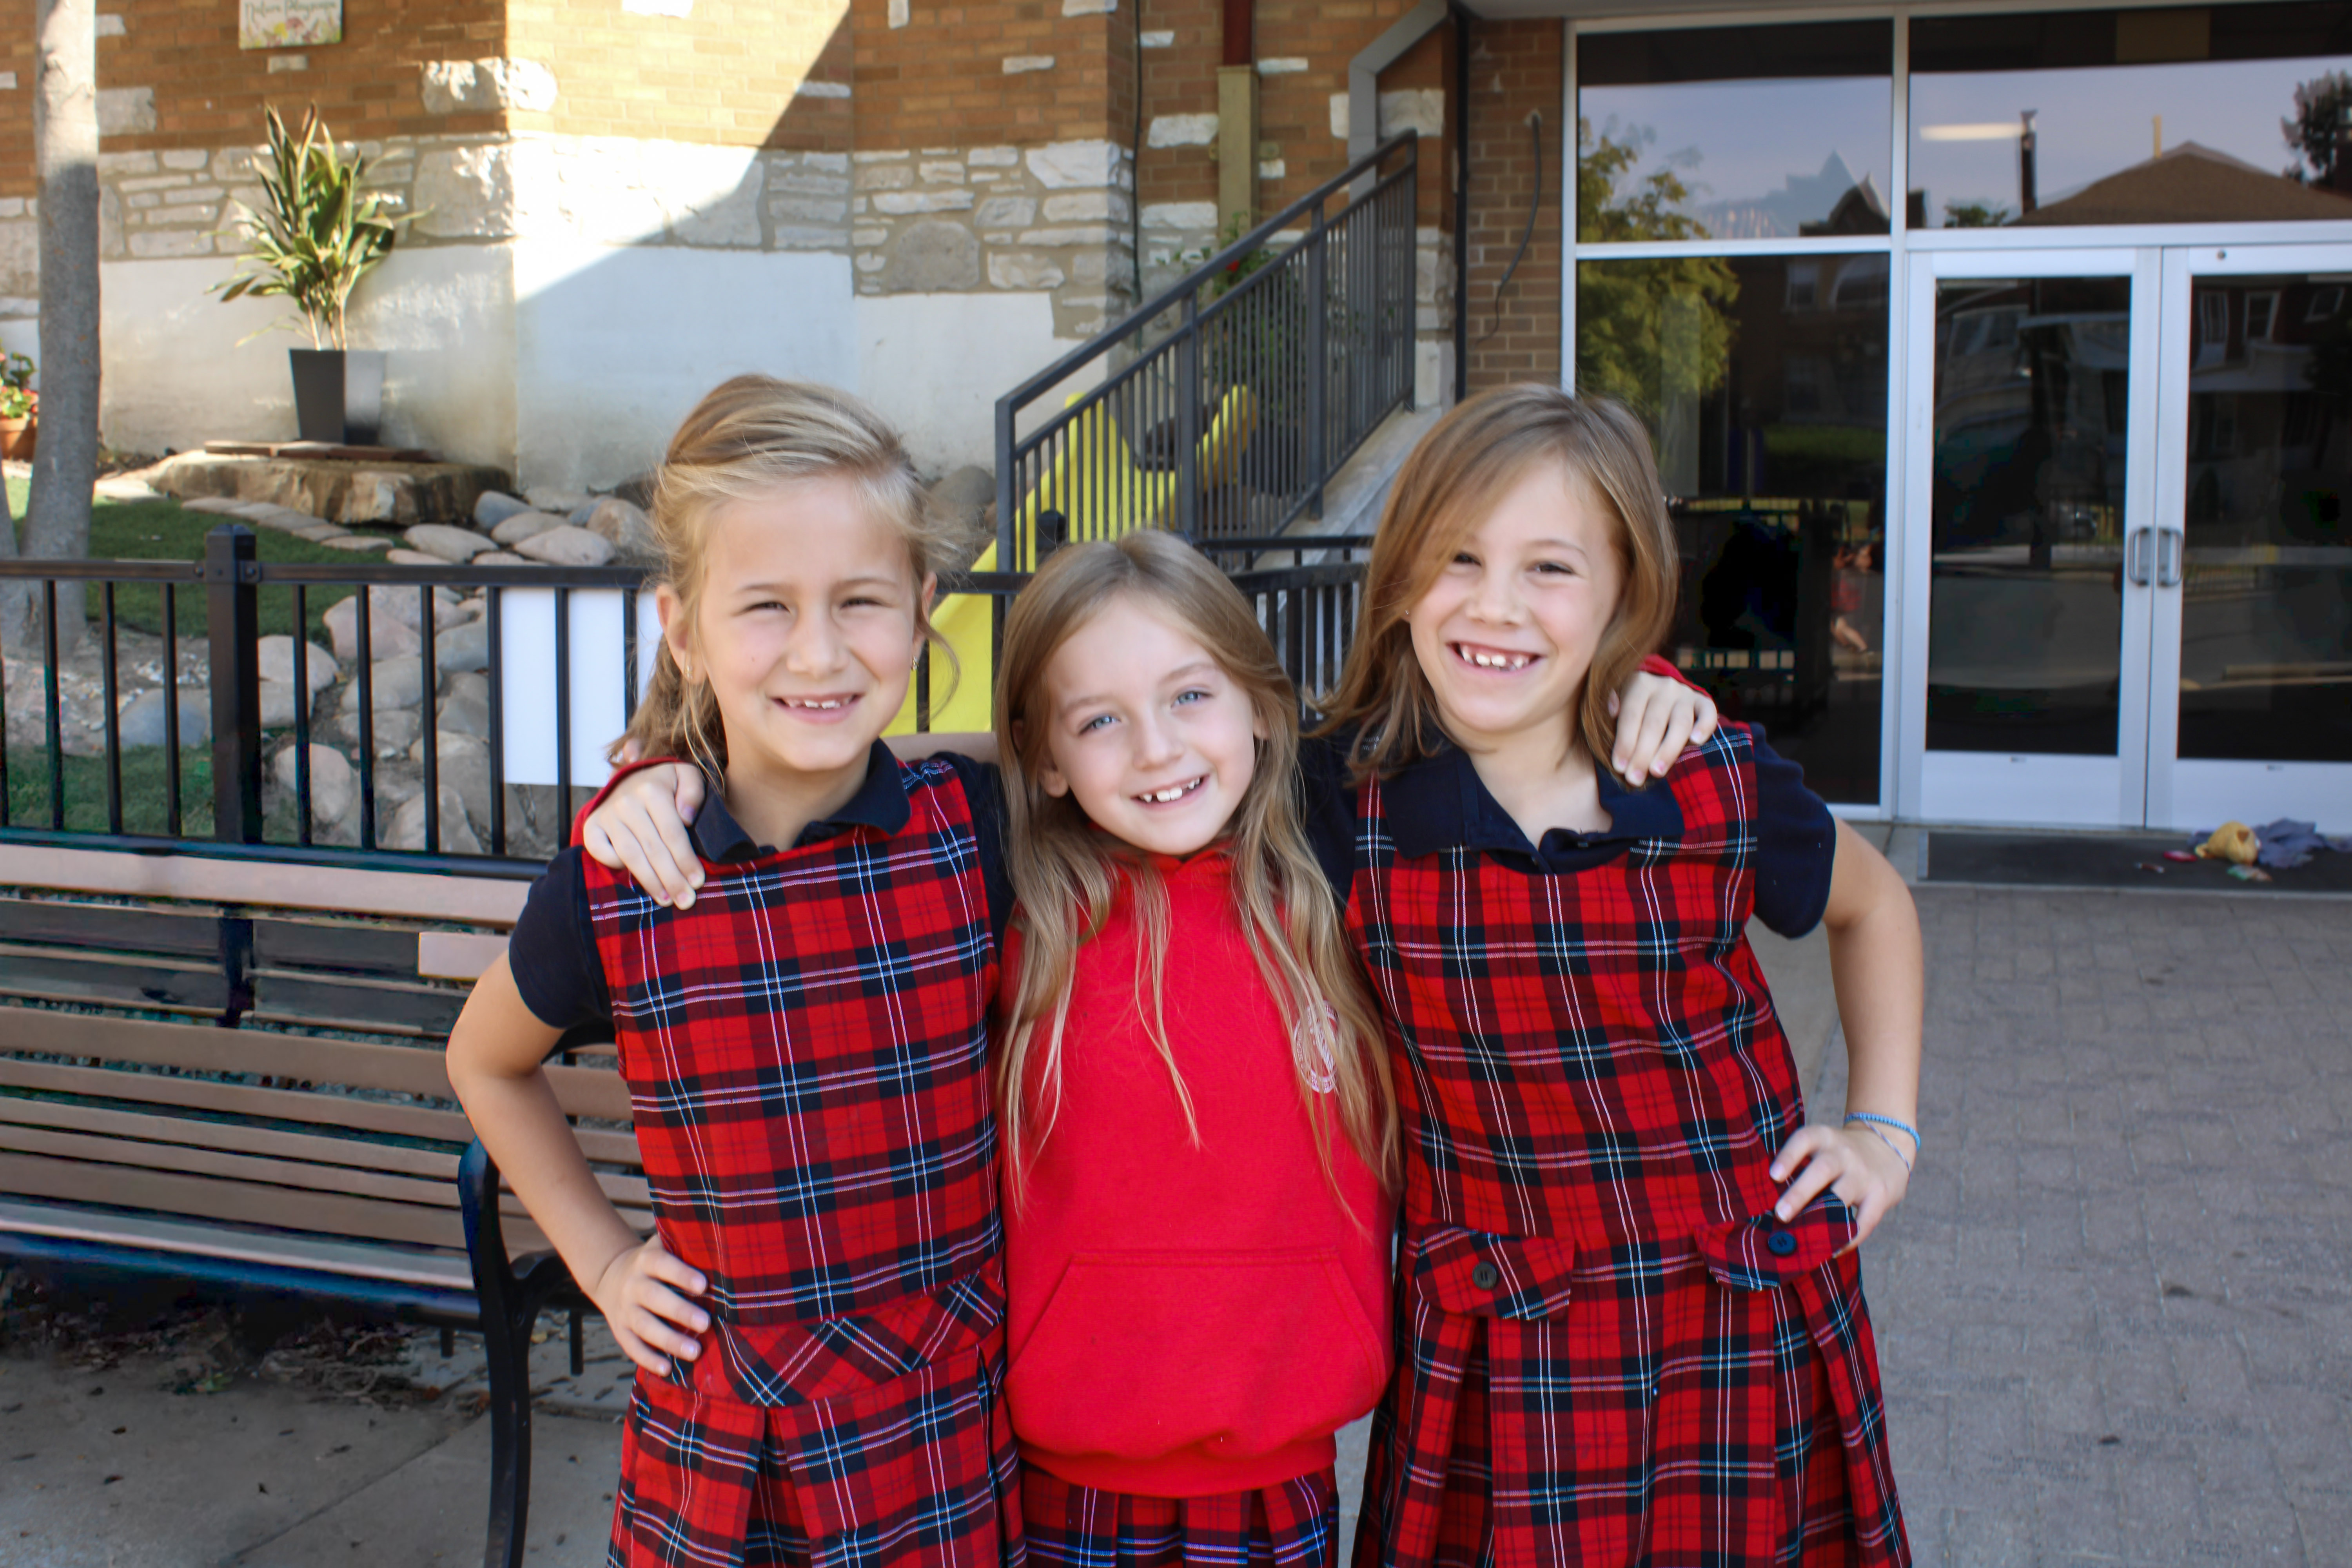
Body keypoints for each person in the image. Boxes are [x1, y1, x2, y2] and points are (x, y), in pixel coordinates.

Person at [1315, 384, 1920, 1566]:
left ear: (1625, 593)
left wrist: (1886, 1131)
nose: (1495, 605)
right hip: (1504, 1337)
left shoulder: (1709, 781)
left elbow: (1875, 904)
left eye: (1551, 569)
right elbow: (1098, 736)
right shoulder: (1343, 797)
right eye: (1458, 557)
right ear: (1398, 579)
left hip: (1735, 1316)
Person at [443, 377, 1024, 1568]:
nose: (819, 650)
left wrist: (670, 759)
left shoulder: (979, 834)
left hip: (942, 1426)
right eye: (766, 606)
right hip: (727, 1448)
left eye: (861, 602)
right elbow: (484, 1062)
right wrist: (603, 1262)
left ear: (922, 615)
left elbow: (1077, 745)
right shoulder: (621, 880)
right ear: (684, 628)